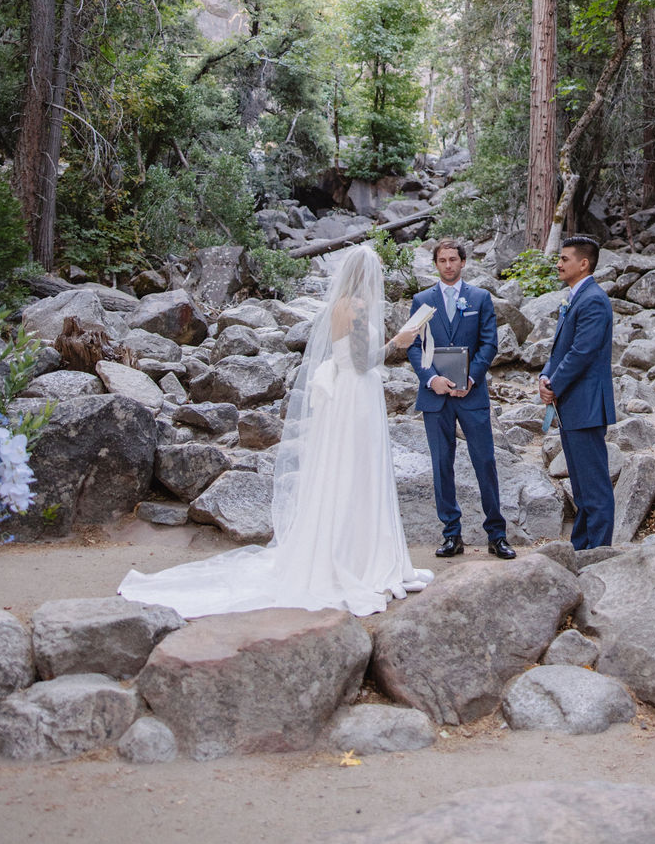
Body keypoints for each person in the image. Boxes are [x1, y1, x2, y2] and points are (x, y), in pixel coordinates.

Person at [119, 245, 432, 618]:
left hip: (343, 394)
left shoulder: (339, 306)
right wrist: (398, 343)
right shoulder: (360, 308)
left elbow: (345, 355)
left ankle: (339, 549)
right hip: (357, 396)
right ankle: (362, 557)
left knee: (341, 470)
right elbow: (365, 361)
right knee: (360, 470)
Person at [407, 239, 515, 560]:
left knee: (485, 462)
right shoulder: (422, 300)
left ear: (463, 262)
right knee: (442, 465)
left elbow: (489, 344)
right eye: (442, 260)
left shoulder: (480, 298)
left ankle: (496, 535)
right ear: (436, 264)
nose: (448, 265)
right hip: (435, 396)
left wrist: (471, 377)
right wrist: (431, 379)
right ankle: (451, 534)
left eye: (453, 259)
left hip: (472, 394)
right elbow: (413, 346)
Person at [539, 234, 615, 550]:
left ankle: (598, 550)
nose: (558, 263)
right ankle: (581, 546)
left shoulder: (594, 299)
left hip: (585, 404)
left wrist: (554, 385)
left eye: (564, 258)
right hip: (571, 405)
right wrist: (545, 376)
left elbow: (582, 352)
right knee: (581, 485)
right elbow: (561, 349)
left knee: (594, 486)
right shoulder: (575, 296)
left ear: (583, 264)